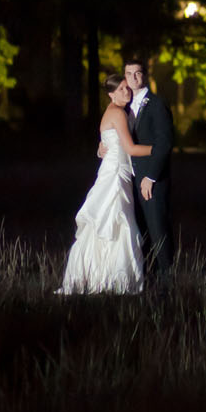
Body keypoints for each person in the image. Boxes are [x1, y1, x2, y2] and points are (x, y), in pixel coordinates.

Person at [56, 74, 153, 295]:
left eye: (126, 88)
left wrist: (101, 148)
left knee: (111, 223)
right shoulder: (117, 113)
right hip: (116, 175)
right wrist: (159, 150)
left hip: (118, 170)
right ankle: (113, 280)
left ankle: (102, 276)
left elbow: (108, 143)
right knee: (116, 223)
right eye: (120, 89)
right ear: (110, 94)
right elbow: (128, 148)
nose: (125, 92)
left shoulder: (118, 112)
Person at [123, 55, 175, 288]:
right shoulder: (123, 106)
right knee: (139, 231)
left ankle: (168, 279)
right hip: (129, 179)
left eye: (138, 73)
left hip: (151, 179)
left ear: (144, 75)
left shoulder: (156, 104)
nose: (133, 78)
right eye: (128, 74)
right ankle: (147, 277)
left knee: (158, 228)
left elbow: (165, 143)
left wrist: (151, 177)